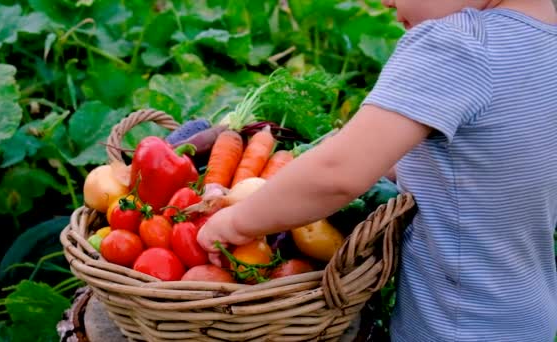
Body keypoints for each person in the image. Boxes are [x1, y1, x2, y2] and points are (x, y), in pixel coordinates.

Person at [197, 0, 557, 340]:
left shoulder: (458, 44)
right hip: (524, 313)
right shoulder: (545, 43)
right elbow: (481, 162)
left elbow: (337, 175)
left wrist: (237, 222)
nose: (384, 1)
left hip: (452, 325)